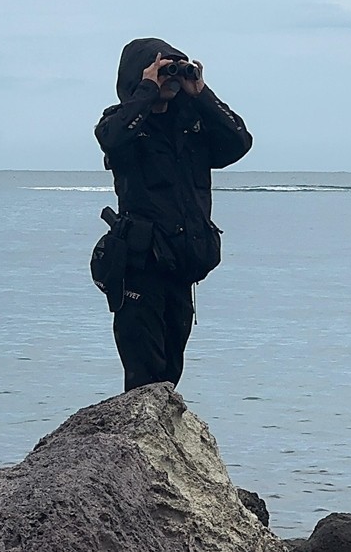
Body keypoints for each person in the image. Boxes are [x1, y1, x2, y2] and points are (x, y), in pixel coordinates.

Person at [93, 37, 252, 392]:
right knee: (144, 374)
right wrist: (147, 89)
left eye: (175, 70)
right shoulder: (123, 124)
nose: (172, 78)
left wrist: (202, 92)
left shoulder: (191, 125)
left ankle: (159, 437)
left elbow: (240, 142)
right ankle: (135, 440)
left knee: (170, 372)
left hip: (182, 263)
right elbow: (112, 138)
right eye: (164, 70)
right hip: (140, 265)